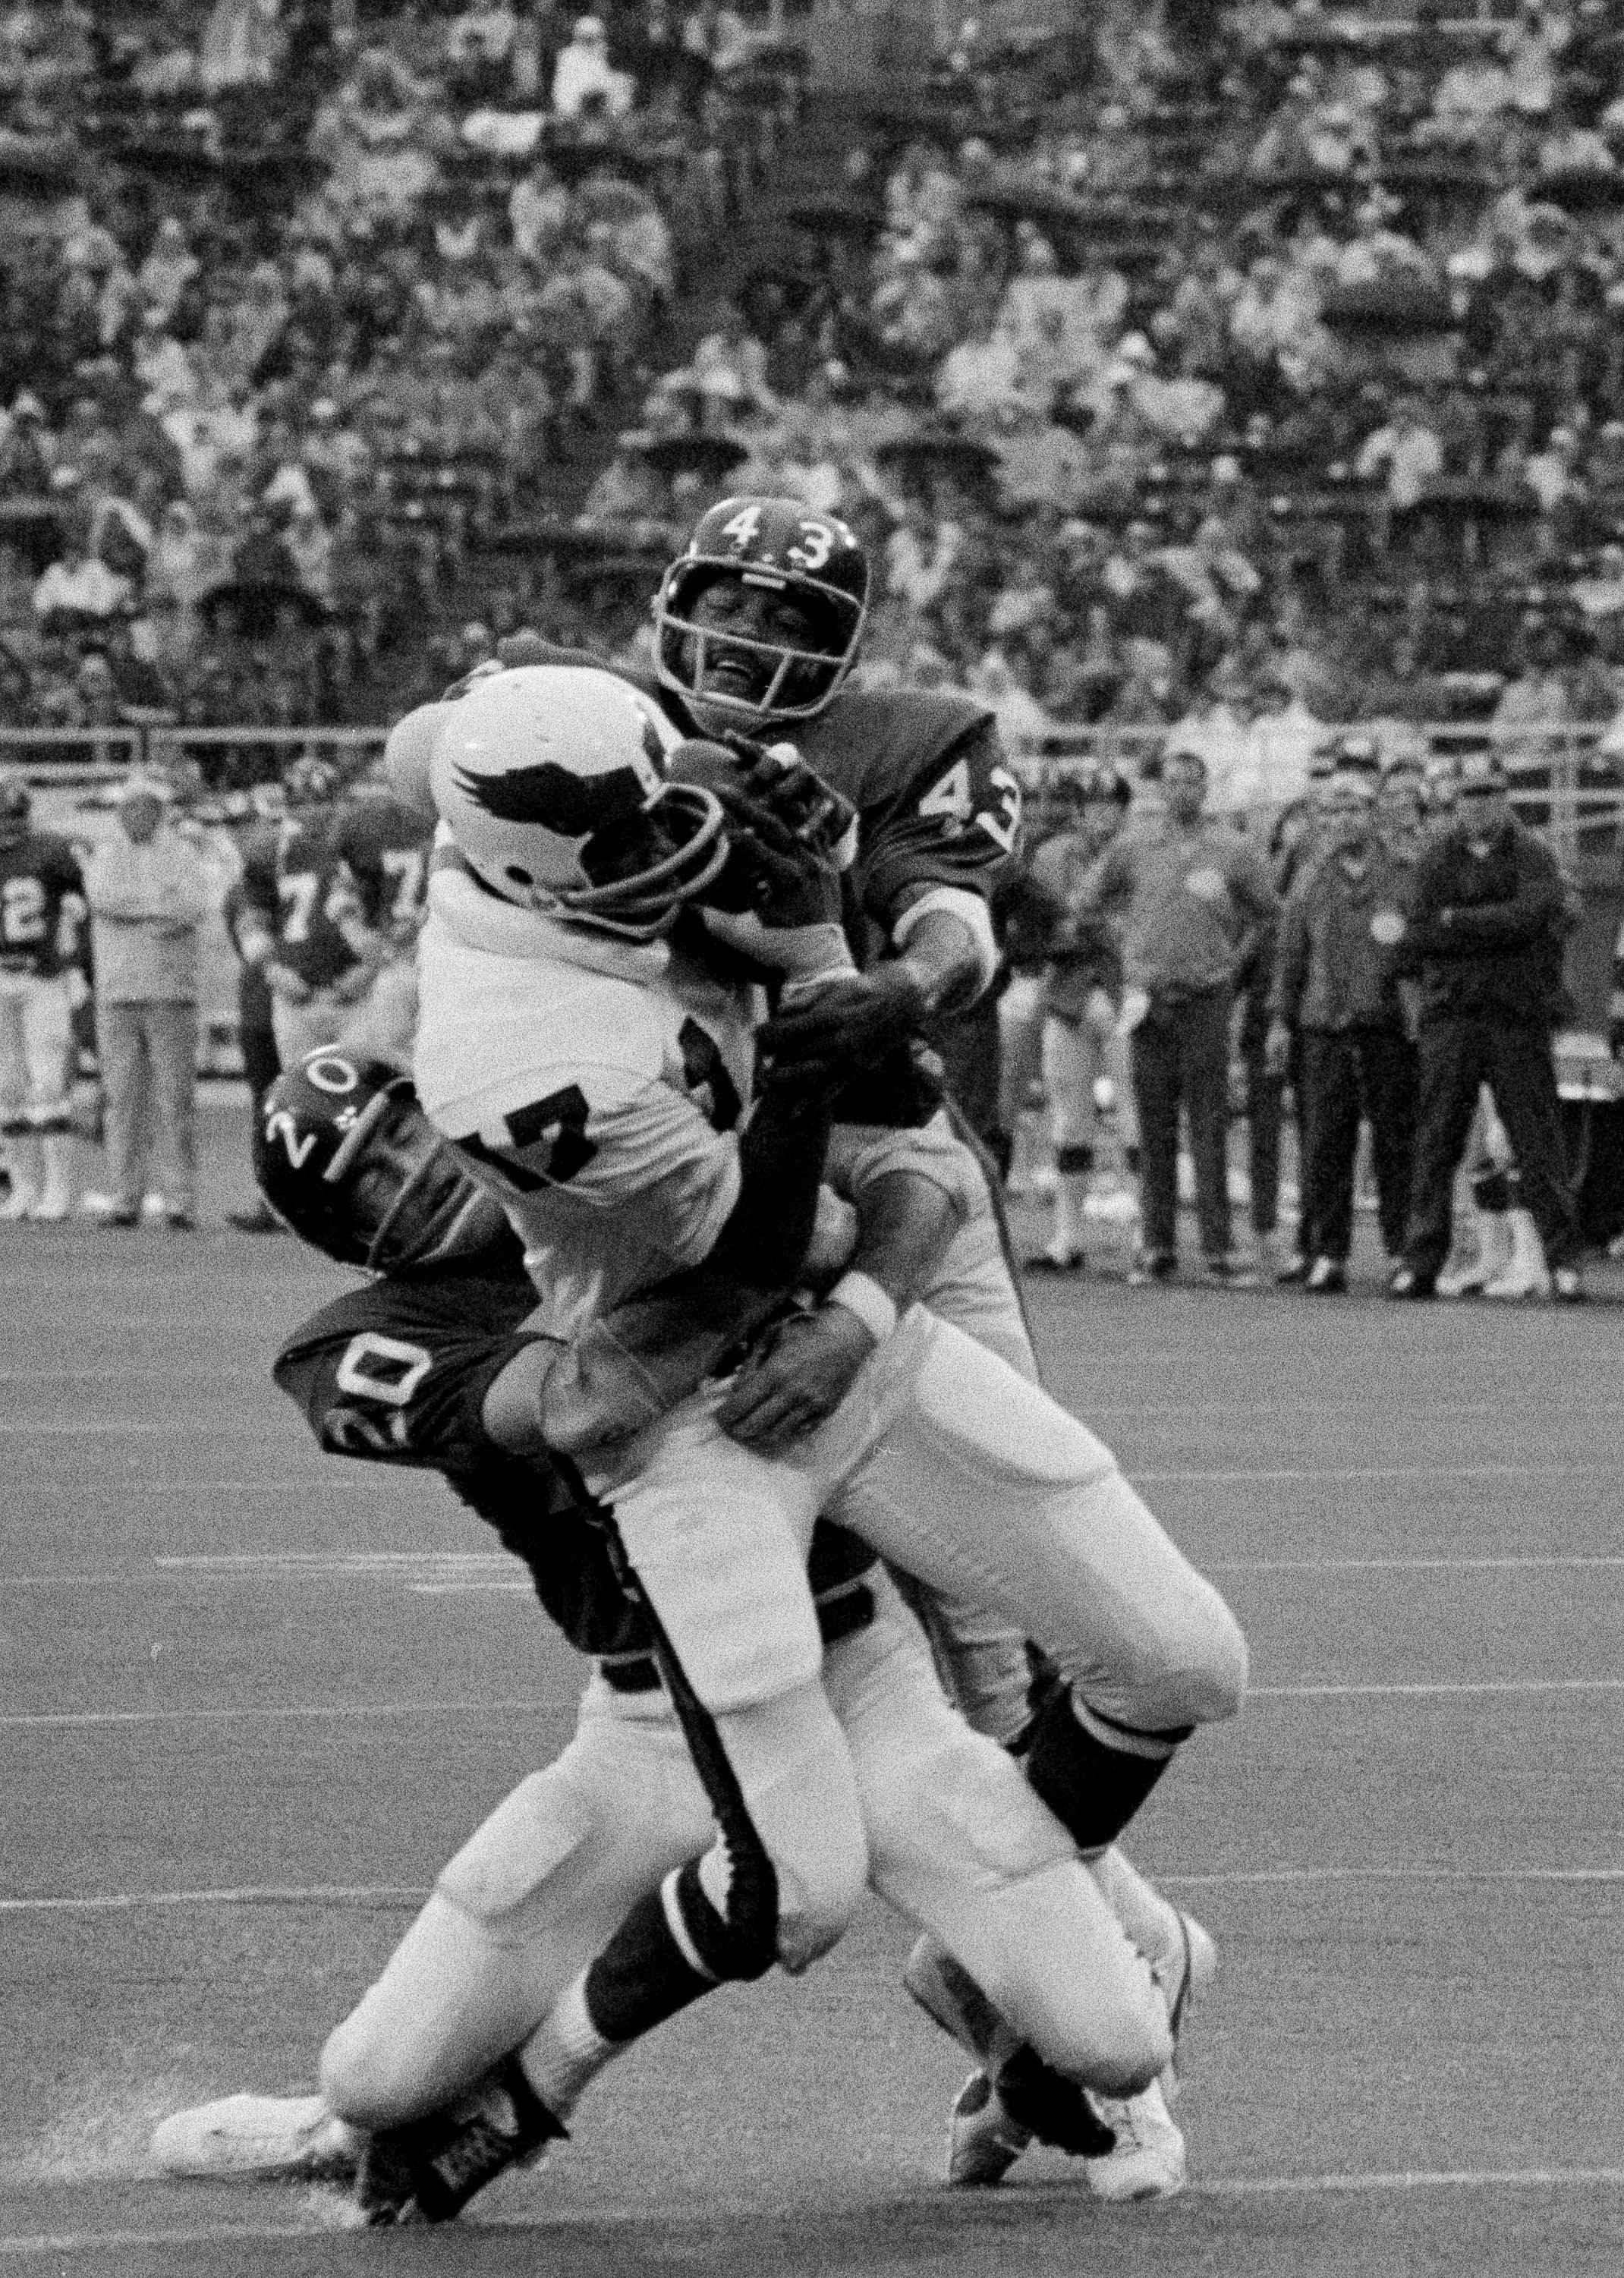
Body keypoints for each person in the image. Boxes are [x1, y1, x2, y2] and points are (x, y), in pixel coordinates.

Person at [151, 1061, 1208, 2216]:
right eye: (375, 1182)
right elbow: (583, 1400)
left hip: (856, 1674)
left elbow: (931, 1176)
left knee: (1116, 2037)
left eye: (411, 1135)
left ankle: (1100, 1991)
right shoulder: (363, 1340)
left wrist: (831, 1288)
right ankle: (345, 2116)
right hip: (648, 1720)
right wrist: (752, 1251)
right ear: (344, 1238)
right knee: (376, 2073)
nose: (420, 1174)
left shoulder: (606, 1159)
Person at [1075, 749, 1279, 1287]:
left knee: (1210, 1125)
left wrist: (1235, 962)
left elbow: (1267, 913)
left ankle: (1218, 1249)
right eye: (1173, 783)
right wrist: (1125, 951)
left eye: (1192, 782)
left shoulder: (1232, 849)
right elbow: (1087, 904)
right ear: (1161, 790)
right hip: (1149, 1000)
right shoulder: (1134, 845)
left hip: (1207, 998)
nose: (1182, 791)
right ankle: (1156, 1244)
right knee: (1155, 1126)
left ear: (1206, 789)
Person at [1388, 750, 1584, 1302]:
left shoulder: (1532, 853)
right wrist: (1486, 926)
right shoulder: (1435, 858)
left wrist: (1459, 921)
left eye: (1489, 794)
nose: (1479, 806)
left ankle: (1562, 1261)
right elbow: (1418, 931)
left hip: (1515, 1017)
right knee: (1436, 1141)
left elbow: (1532, 917)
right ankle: (1420, 1261)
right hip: (1452, 1017)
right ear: (1456, 802)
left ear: (1505, 797)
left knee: (1537, 1140)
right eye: (1470, 796)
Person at [1265, 764, 1416, 1292]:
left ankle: (1404, 1252)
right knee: (1326, 1145)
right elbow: (1290, 956)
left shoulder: (1404, 870)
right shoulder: (1308, 877)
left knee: (1397, 1142)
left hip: (1387, 1024)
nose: (1344, 819)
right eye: (1333, 810)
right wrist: (1280, 1021)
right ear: (1322, 820)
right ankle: (1328, 1252)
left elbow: (1419, 950)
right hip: (1324, 1025)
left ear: (1372, 816)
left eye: (1355, 809)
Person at [235, 756, 430, 1070]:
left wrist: (369, 970)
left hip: (358, 992)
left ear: (341, 802)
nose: (313, 812)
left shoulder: (360, 845)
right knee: (303, 1095)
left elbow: (391, 913)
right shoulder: (273, 851)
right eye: (301, 804)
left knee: (364, 1094)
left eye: (322, 802)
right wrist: (273, 972)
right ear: (287, 807)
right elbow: (249, 920)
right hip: (294, 990)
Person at [81, 771, 212, 1229]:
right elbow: (102, 899)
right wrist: (158, 908)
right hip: (119, 991)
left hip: (171, 990)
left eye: (144, 805)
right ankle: (125, 1195)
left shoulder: (181, 852)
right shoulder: (106, 852)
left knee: (175, 1098)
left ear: (159, 810)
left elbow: (195, 905)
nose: (135, 813)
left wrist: (139, 910)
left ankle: (179, 1197)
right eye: (129, 805)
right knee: (122, 1099)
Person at [1026, 764, 1132, 1274]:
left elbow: (1134, 930)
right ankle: (1068, 1238)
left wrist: (1081, 926)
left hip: (1123, 991)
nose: (1101, 815)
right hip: (1068, 991)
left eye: (1111, 806)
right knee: (1070, 1118)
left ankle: (1144, 1239)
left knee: (1133, 1117)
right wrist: (1083, 929)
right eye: (1092, 806)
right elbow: (1039, 929)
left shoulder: (1139, 854)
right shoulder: (1053, 856)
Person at [0, 771, 87, 1222]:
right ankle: (23, 1184)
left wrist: (74, 967)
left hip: (43, 977)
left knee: (49, 1086)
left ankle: (58, 1188)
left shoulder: (53, 852)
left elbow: (80, 909)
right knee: (6, 1088)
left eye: (12, 816)